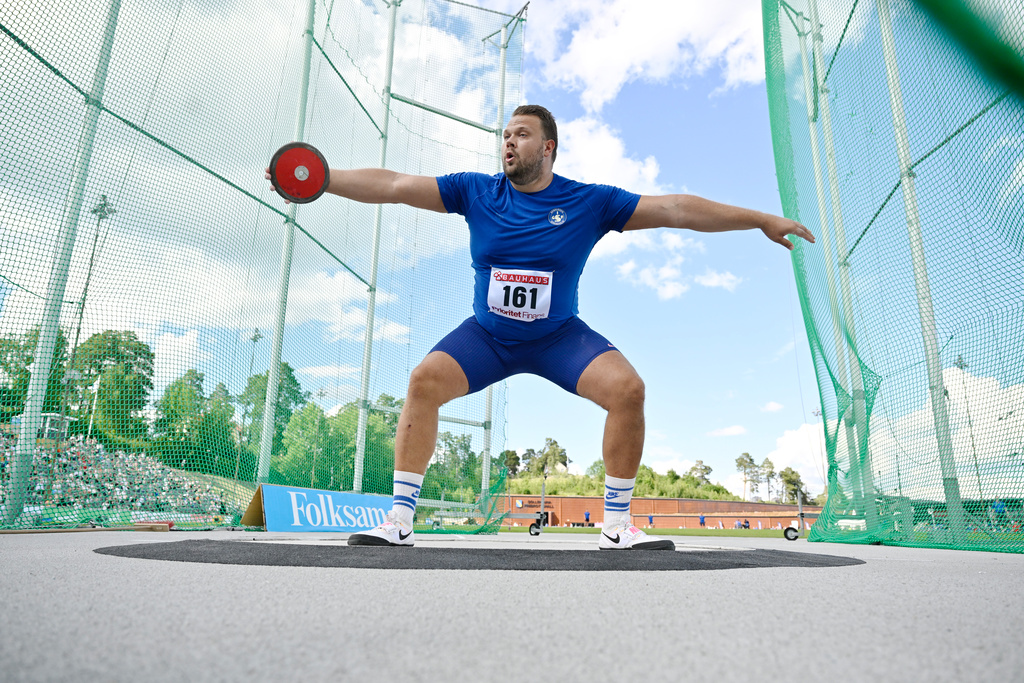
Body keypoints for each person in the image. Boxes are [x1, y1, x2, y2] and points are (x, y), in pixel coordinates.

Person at [267, 104, 813, 550]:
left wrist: (760, 218)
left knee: (628, 390)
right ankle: (399, 520)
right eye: (505, 135)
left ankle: (618, 525)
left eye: (521, 135)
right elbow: (394, 184)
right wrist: (323, 177)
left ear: (547, 147)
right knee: (424, 381)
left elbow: (677, 208)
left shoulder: (589, 201)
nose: (508, 142)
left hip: (558, 339)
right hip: (487, 338)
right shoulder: (475, 191)